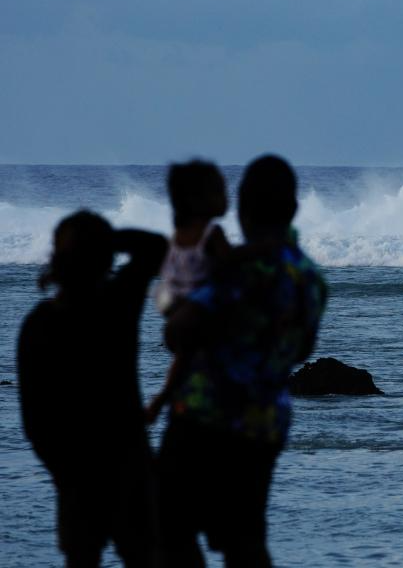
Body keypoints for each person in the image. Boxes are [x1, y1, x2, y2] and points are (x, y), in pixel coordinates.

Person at [157, 155, 327, 568]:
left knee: (166, 527)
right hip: (264, 425)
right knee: (244, 539)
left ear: (243, 209)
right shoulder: (310, 277)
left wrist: (176, 298)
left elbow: (177, 331)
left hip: (203, 419)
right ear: (293, 209)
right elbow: (303, 351)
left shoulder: (238, 267)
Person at [18, 211, 167, 568]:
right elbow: (156, 247)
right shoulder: (118, 303)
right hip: (130, 465)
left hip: (75, 473)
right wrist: (108, 238)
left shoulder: (39, 323)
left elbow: (34, 420)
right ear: (104, 260)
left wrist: (61, 472)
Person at [146, 160, 230, 423]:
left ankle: (168, 404)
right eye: (219, 190)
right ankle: (162, 401)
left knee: (186, 365)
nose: (226, 195)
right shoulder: (211, 234)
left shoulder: (176, 237)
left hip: (180, 318)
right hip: (198, 320)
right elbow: (235, 269)